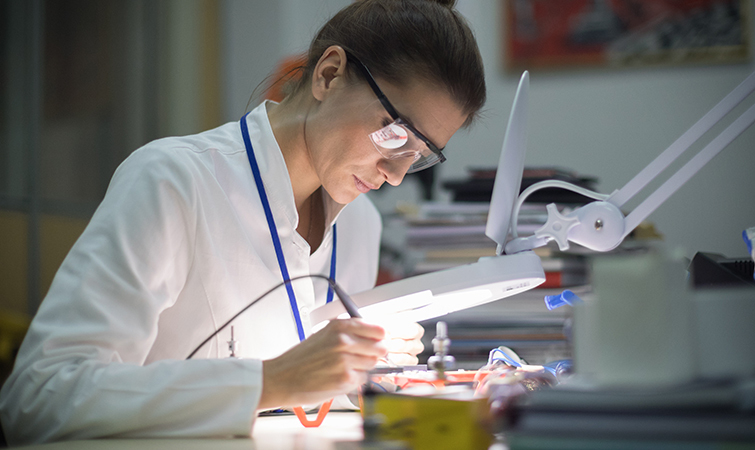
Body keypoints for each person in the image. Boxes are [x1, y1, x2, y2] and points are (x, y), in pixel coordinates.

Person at [0, 0, 486, 444]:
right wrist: (273, 380)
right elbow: (37, 398)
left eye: (419, 156)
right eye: (396, 133)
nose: (397, 176)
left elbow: (312, 412)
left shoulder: (360, 227)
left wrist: (358, 372)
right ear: (330, 75)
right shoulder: (174, 182)